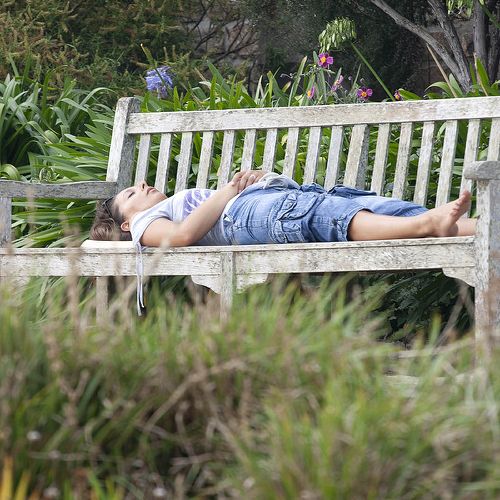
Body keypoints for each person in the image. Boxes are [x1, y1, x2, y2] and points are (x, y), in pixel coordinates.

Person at [90, 170, 476, 248]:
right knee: (324, 217)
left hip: (263, 203)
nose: (142, 185)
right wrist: (228, 191)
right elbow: (183, 235)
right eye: (131, 193)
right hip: (242, 217)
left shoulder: (163, 206)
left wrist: (254, 181)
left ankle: (463, 226)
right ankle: (426, 225)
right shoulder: (143, 225)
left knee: (379, 208)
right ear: (126, 224)